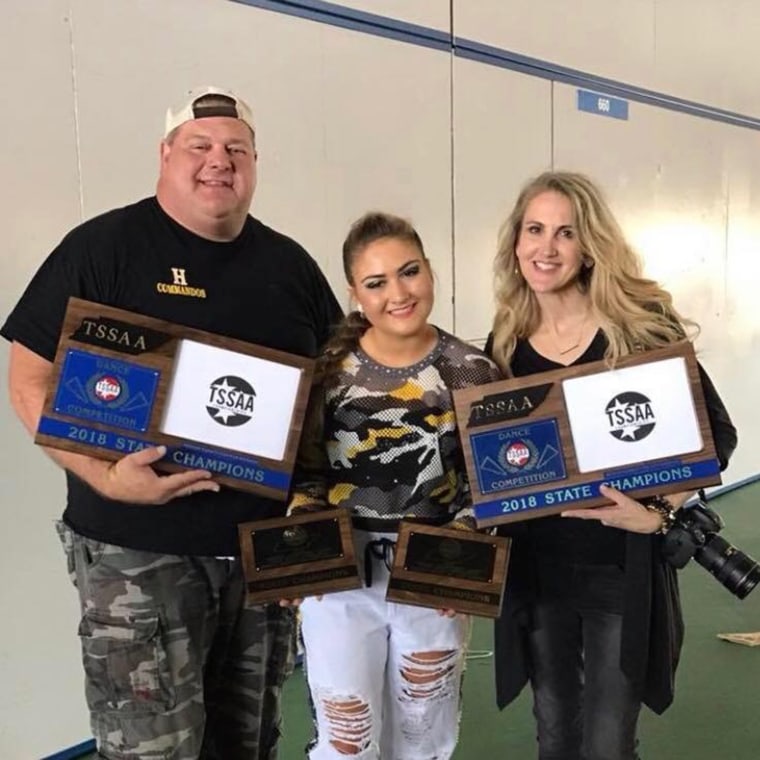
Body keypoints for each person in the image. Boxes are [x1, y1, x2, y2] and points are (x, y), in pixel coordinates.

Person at [2, 86, 342, 760]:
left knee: (246, 744)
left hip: (258, 562)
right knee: (150, 749)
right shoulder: (102, 249)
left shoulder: (291, 267)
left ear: (254, 163)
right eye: (200, 145)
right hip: (138, 555)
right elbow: (28, 380)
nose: (219, 162)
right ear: (165, 154)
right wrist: (106, 478)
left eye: (235, 149)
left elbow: (334, 399)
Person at [486, 171, 737, 760]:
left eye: (565, 233)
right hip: (538, 572)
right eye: (534, 230)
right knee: (554, 738)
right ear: (515, 241)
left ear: (589, 245)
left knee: (607, 744)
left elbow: (715, 437)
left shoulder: (638, 332)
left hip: (618, 572)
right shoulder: (503, 342)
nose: (546, 249)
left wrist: (658, 512)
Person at [283, 212, 502, 759]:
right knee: (345, 737)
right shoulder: (328, 372)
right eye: (376, 283)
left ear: (429, 269)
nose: (398, 294)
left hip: (430, 577)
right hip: (340, 582)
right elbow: (306, 475)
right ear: (355, 293)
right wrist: (298, 547)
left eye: (409, 272)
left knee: (423, 736)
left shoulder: (471, 370)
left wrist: (466, 551)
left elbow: (493, 482)